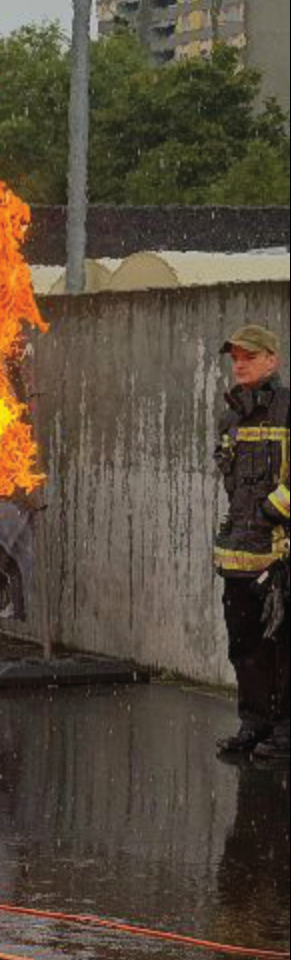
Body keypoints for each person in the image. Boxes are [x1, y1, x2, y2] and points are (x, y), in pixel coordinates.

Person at [213, 324, 289, 763]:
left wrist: (271, 512)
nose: (240, 364)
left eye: (250, 356)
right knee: (244, 647)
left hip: (280, 557)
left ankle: (285, 732)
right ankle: (255, 724)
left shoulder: (287, 408)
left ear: (272, 360)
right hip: (238, 557)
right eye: (236, 358)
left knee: (282, 650)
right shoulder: (231, 416)